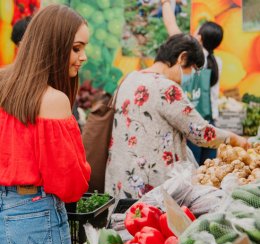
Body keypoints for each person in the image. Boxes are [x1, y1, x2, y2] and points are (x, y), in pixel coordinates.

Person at [104, 34, 249, 200]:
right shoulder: (166, 88)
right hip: (151, 190)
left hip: (120, 183)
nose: (189, 78)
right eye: (191, 71)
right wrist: (235, 139)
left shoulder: (129, 79)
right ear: (182, 58)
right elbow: (201, 133)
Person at [0, 4, 91, 244]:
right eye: (76, 48)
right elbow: (70, 185)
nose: (83, 57)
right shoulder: (53, 100)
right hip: (32, 216)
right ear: (53, 46)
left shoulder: (2, 83)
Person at [161, 0, 224, 165]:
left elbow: (172, 29)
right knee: (208, 168)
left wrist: (166, 4)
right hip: (211, 120)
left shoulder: (192, 57)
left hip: (192, 121)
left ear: (199, 37)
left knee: (191, 168)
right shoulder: (218, 61)